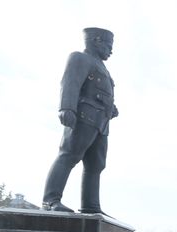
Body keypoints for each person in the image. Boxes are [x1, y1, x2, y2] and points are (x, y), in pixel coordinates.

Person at [42, 28, 119, 214]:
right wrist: (66, 107)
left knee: (96, 164)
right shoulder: (80, 58)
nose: (111, 50)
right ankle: (51, 200)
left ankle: (91, 206)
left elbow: (100, 93)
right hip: (84, 116)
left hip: (101, 122)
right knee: (68, 155)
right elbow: (70, 83)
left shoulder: (103, 68)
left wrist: (112, 108)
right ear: (96, 41)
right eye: (108, 45)